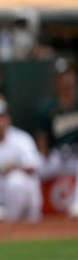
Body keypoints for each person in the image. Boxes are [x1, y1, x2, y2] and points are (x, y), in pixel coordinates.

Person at [36, 62, 78, 218]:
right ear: (57, 81)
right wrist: (43, 157)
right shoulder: (48, 107)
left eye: (69, 75)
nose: (66, 80)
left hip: (76, 155)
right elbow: (42, 137)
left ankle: (76, 205)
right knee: (33, 169)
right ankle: (33, 211)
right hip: (57, 155)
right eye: (62, 76)